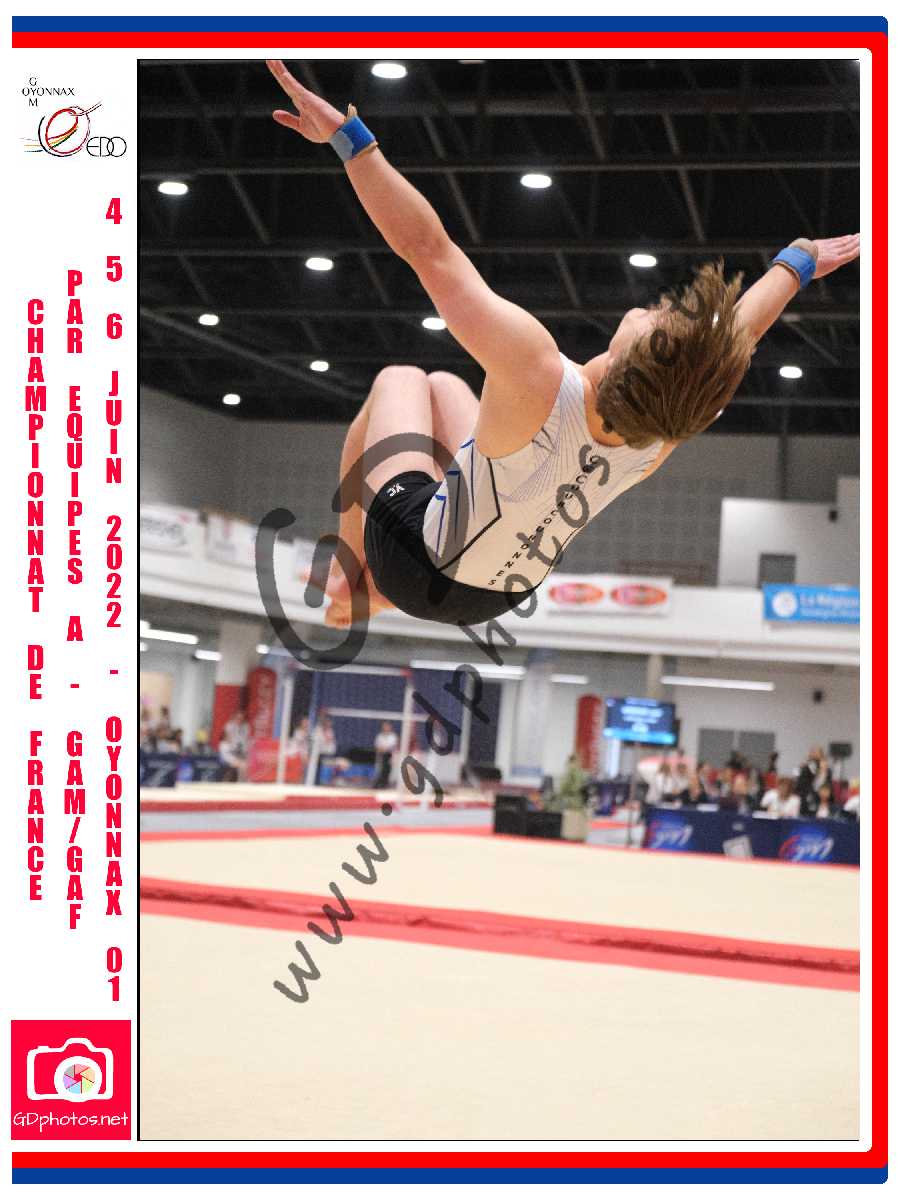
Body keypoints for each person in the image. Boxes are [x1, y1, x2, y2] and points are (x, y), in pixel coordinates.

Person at [266, 60, 860, 629]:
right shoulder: (658, 431)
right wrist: (796, 263)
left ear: (629, 359)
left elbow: (429, 250)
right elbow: (733, 338)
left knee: (399, 379)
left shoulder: (537, 374)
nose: (664, 306)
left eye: (662, 320)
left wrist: (351, 141)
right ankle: (366, 579)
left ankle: (352, 575)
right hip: (499, 593)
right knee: (442, 385)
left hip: (411, 562)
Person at [373, 721, 399, 789]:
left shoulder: (393, 736)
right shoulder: (379, 736)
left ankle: (385, 784)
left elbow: (393, 746)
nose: (386, 728)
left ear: (390, 727)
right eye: (384, 726)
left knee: (387, 770)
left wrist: (386, 749)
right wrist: (381, 749)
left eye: (387, 726)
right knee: (380, 769)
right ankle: (378, 784)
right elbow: (377, 746)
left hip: (390, 755)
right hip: (381, 755)